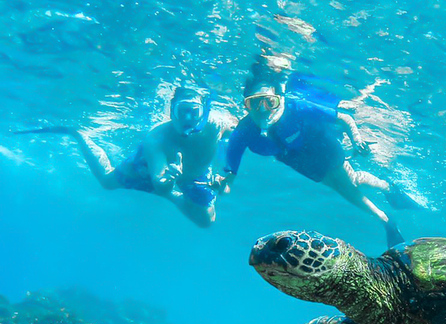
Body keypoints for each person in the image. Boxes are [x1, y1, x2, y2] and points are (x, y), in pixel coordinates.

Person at [218, 71, 420, 248]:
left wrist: (356, 140)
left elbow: (344, 117)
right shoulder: (243, 132)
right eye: (254, 103)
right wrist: (223, 185)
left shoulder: (296, 107)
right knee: (345, 185)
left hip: (320, 145)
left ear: (279, 98)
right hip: (296, 160)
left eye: (269, 102)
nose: (263, 110)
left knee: (349, 184)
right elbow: (230, 173)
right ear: (246, 105)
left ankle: (386, 212)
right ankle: (387, 201)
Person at [15, 87, 236, 227]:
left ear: (203, 113)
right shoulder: (156, 138)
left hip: (193, 175)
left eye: (194, 111)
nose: (188, 118)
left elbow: (240, 128)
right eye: (181, 111)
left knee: (206, 221)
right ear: (171, 112)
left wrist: (227, 174)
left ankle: (175, 196)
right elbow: (159, 183)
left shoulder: (216, 124)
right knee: (107, 182)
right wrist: (168, 180)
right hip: (150, 168)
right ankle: (78, 134)